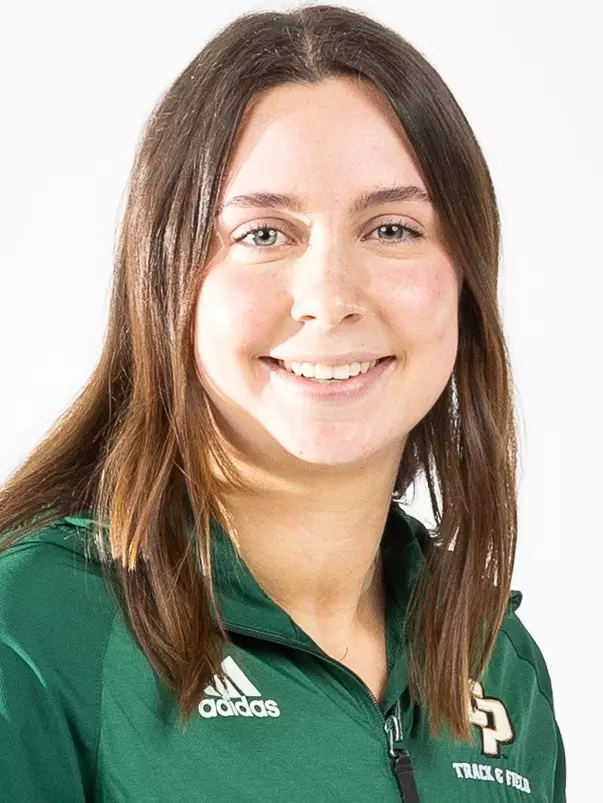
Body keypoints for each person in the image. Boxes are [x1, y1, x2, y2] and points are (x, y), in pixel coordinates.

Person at [0, 4, 566, 801]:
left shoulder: (498, 664)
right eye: (263, 233)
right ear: (165, 282)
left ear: (467, 282)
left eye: (393, 228)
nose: (328, 298)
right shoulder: (31, 635)